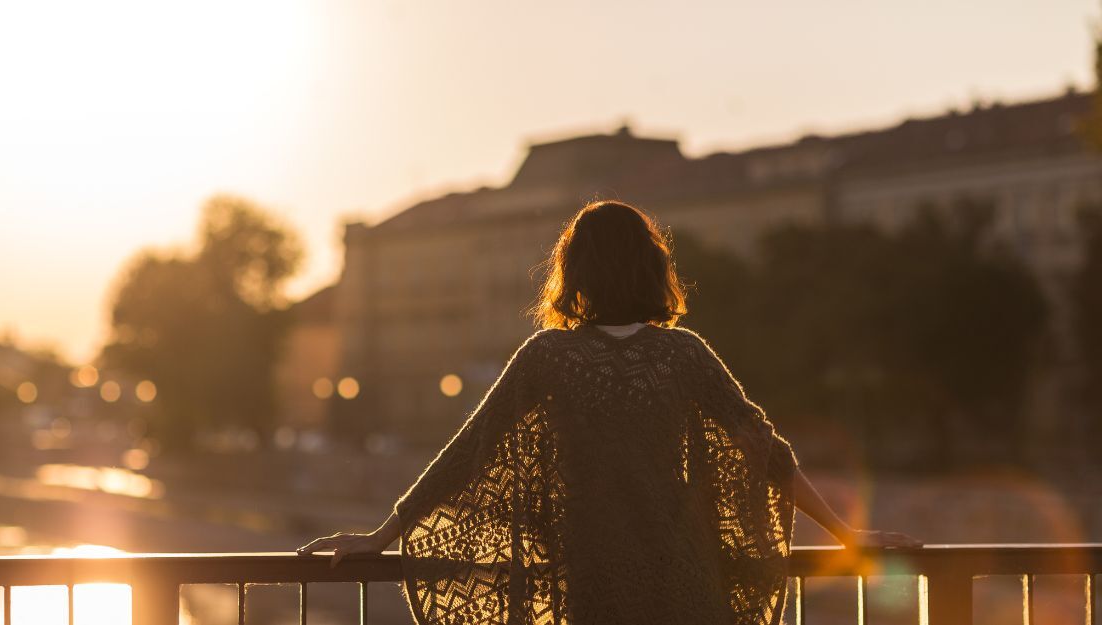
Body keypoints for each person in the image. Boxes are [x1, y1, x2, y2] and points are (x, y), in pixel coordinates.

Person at [298, 200, 921, 625]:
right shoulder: (684, 354)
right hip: (688, 587)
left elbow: (471, 452)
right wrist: (847, 536)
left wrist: (385, 534)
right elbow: (770, 455)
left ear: (573, 271)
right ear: (654, 267)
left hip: (595, 587)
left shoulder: (548, 356)